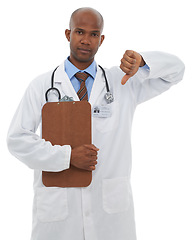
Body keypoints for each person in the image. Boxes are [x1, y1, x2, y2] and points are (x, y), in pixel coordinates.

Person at [7, 7, 185, 240]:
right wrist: (67, 157)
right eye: (80, 32)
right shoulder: (42, 85)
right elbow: (17, 140)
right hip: (59, 214)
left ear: (101, 39)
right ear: (67, 34)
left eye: (93, 34)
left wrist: (142, 62)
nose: (86, 40)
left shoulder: (122, 82)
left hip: (109, 216)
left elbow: (176, 71)